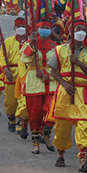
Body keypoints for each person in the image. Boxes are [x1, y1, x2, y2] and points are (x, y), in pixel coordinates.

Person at [48, 19, 87, 172]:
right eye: (78, 29)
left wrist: (78, 63)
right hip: (65, 92)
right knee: (62, 128)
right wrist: (64, 84)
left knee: (84, 125)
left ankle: (83, 160)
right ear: (71, 32)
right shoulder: (60, 49)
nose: (81, 31)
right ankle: (60, 153)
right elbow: (53, 71)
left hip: (83, 93)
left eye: (84, 29)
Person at [22, 18, 58, 154]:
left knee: (52, 111)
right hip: (34, 82)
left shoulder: (55, 46)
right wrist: (31, 45)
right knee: (34, 113)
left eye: (47, 28)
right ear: (37, 29)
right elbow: (24, 59)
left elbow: (58, 64)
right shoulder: (29, 43)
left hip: (51, 82)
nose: (45, 30)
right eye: (42, 27)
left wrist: (46, 73)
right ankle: (35, 143)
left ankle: (46, 135)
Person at [0, 17, 28, 133]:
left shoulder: (30, 41)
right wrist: (6, 70)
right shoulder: (8, 41)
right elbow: (2, 56)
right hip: (11, 73)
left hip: (25, 75)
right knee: (11, 102)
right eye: (18, 27)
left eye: (23, 26)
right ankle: (11, 119)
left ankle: (20, 124)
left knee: (24, 101)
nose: (21, 29)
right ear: (14, 28)